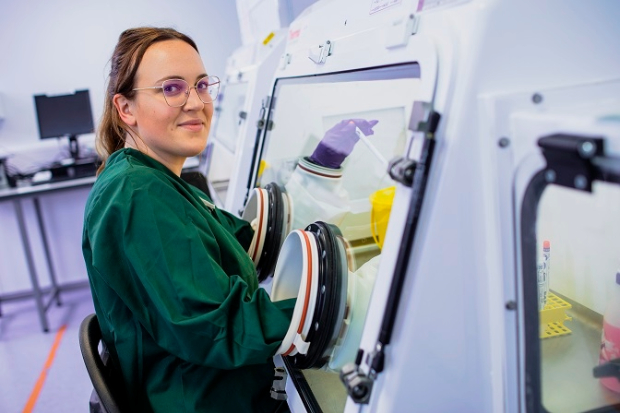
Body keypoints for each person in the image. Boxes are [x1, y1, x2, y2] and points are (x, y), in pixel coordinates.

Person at [82, 27, 295, 412]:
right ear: (125, 108)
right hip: (202, 398)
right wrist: (329, 309)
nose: (196, 102)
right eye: (172, 88)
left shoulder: (151, 176)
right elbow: (220, 329)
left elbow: (223, 237)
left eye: (201, 85)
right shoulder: (138, 194)